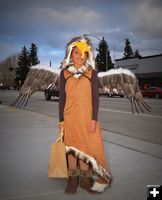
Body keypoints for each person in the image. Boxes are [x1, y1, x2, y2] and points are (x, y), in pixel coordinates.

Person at [59, 36, 112, 194]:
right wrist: (61, 120)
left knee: (85, 150)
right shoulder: (64, 74)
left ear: (87, 55)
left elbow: (96, 99)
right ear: (71, 54)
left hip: (86, 118)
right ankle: (72, 180)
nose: (80, 56)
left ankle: (85, 179)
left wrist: (94, 119)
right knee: (71, 149)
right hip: (69, 119)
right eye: (76, 52)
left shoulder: (92, 74)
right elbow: (62, 98)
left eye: (83, 53)